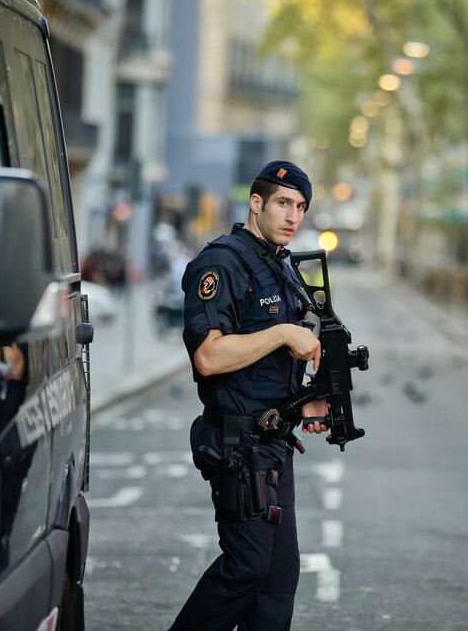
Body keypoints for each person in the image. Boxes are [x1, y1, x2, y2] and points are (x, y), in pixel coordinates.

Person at [169, 160, 329, 631]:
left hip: (274, 444)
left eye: (300, 207)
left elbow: (275, 368)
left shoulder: (279, 268)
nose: (292, 216)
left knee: (278, 579)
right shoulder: (222, 262)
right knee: (246, 570)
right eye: (282, 203)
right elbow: (209, 357)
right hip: (239, 447)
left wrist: (309, 400)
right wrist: (282, 333)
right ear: (256, 203)